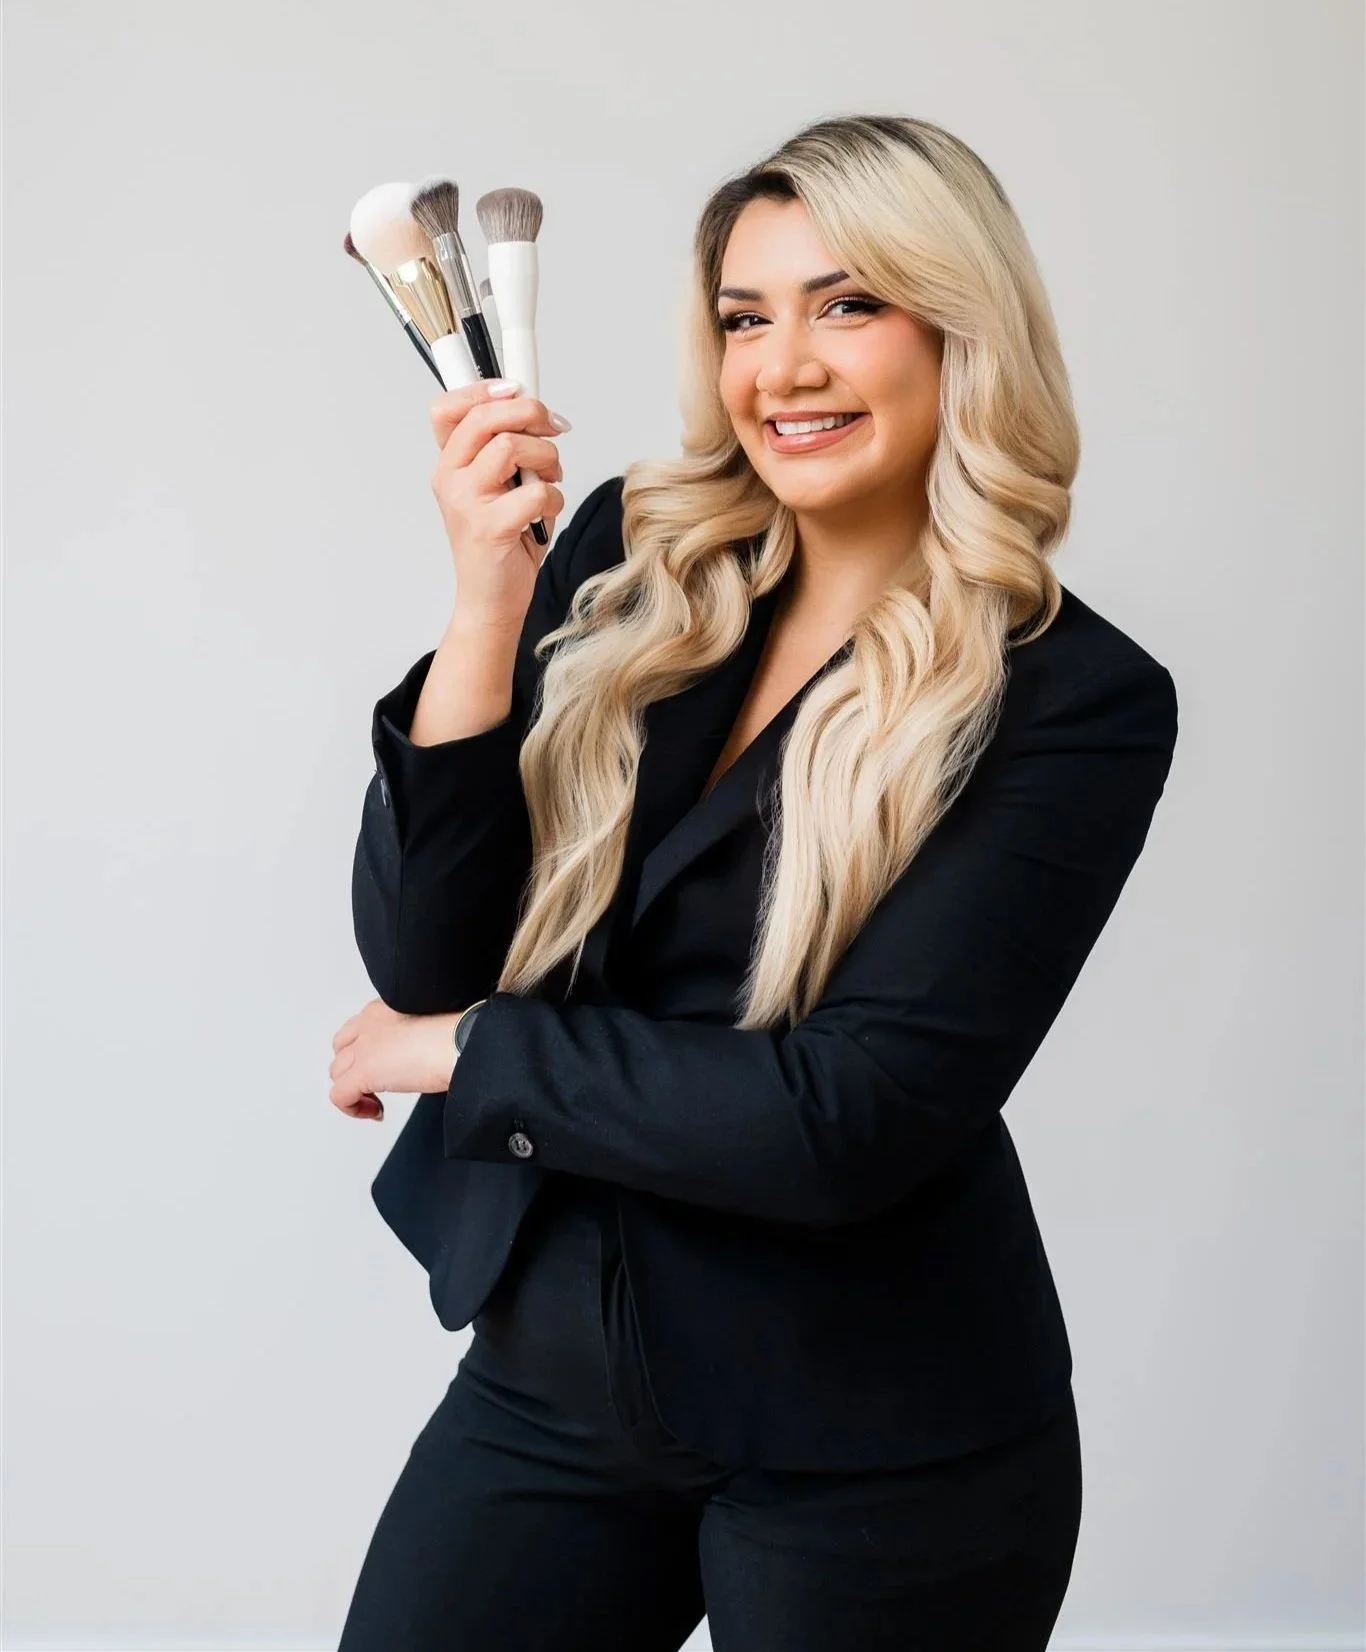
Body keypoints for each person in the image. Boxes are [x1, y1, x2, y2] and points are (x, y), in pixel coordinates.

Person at [328, 113, 1179, 1651]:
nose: (781, 367)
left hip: (875, 1437)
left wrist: (472, 1055)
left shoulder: (1076, 699)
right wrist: (484, 602)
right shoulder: (625, 563)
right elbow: (424, 949)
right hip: (555, 1380)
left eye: (846, 305)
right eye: (744, 316)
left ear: (957, 333)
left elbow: (839, 1121)